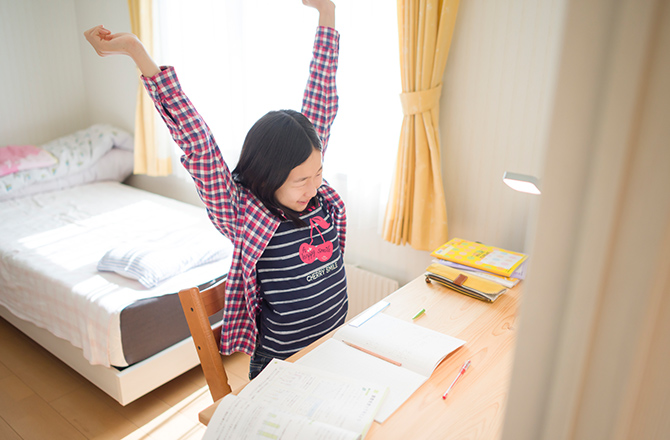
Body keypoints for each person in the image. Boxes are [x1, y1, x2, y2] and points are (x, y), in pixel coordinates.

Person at [84, 0, 346, 379]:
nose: (313, 186)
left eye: (318, 173)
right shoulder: (244, 214)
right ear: (269, 174)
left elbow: (321, 99)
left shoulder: (315, 189)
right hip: (285, 368)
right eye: (301, 180)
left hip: (336, 345)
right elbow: (198, 142)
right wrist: (138, 54)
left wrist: (327, 13)